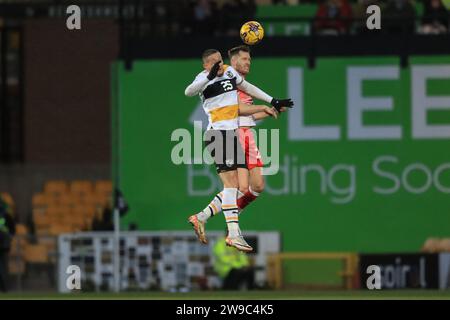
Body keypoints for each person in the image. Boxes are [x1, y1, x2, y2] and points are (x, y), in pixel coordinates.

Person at [184, 49, 293, 252]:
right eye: (214, 63)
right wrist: (208, 76)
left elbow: (249, 87)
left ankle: (202, 218)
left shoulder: (229, 73)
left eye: (220, 61)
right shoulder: (203, 78)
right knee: (233, 186)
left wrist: (272, 101)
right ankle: (233, 233)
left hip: (232, 135)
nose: (219, 65)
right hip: (217, 134)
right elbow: (188, 91)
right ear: (206, 65)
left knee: (237, 187)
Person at [0, 196, 16, 292]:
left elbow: (12, 230)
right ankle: (5, 288)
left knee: (2, 267)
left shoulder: (5, 216)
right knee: (3, 267)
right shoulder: (6, 215)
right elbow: (12, 230)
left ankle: (5, 288)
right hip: (4, 246)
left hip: (3, 246)